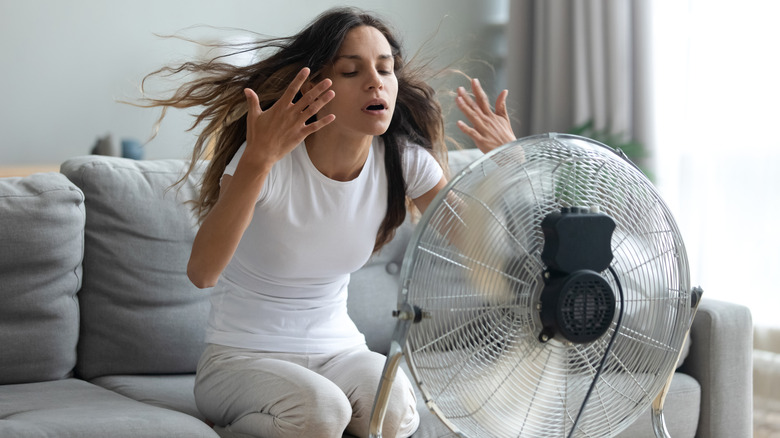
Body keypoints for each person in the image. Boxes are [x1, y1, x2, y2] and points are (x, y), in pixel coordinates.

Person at [139, 7, 514, 438]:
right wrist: (257, 161)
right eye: (352, 71)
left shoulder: (405, 162)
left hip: (341, 352)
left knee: (390, 414)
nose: (376, 81)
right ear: (317, 86)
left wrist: (511, 167)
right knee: (321, 413)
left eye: (386, 68)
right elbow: (202, 273)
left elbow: (488, 255)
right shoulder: (268, 160)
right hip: (242, 357)